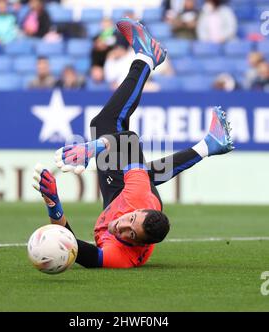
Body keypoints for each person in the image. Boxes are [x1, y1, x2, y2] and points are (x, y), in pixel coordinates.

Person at [33, 18, 234, 268]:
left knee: (141, 168)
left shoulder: (120, 255)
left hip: (123, 195)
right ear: (137, 210)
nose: (122, 225)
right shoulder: (135, 198)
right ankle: (147, 58)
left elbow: (73, 247)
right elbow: (127, 140)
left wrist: (54, 205)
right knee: (106, 124)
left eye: (130, 233)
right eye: (131, 219)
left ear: (138, 242)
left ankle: (209, 145)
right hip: (131, 194)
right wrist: (91, 148)